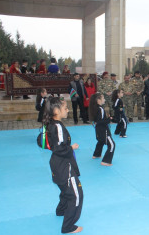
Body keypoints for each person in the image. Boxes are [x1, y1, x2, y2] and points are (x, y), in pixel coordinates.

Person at [43, 97, 83, 234]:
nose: (68, 110)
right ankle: (68, 226)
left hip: (58, 165)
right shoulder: (58, 126)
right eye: (65, 108)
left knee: (65, 190)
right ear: (56, 110)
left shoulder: (52, 124)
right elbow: (59, 148)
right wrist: (71, 147)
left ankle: (61, 211)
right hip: (64, 165)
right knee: (76, 195)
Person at [89, 93, 115, 166]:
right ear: (98, 100)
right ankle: (106, 161)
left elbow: (97, 121)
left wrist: (106, 118)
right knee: (112, 145)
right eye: (103, 98)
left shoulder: (95, 108)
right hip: (104, 130)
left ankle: (96, 154)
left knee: (101, 141)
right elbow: (100, 121)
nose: (104, 100)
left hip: (98, 130)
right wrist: (109, 119)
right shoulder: (100, 109)